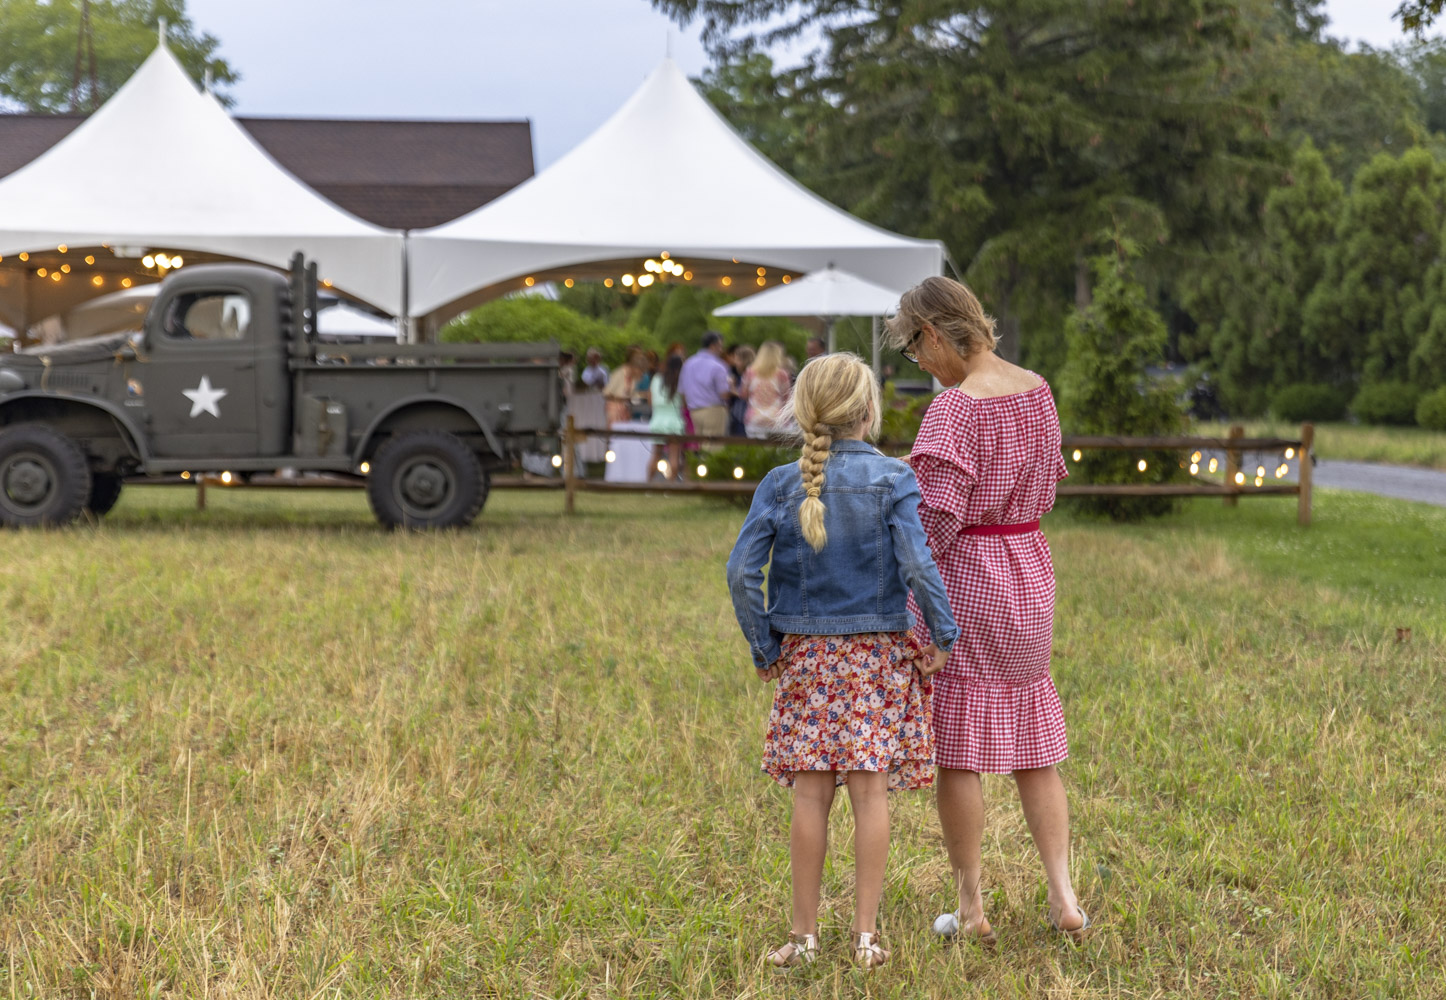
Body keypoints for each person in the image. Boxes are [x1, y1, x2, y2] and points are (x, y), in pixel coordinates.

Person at [726, 352, 958, 972]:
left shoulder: (779, 484)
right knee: (869, 794)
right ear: (867, 409)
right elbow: (918, 564)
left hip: (806, 658)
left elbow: (741, 573)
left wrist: (764, 643)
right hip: (877, 659)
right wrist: (942, 632)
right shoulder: (892, 479)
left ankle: (802, 939)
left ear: (805, 411)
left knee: (809, 797)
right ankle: (865, 940)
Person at [886, 276, 1087, 944]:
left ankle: (972, 910)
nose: (920, 363)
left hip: (970, 577)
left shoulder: (955, 410)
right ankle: (1064, 896)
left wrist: (905, 594)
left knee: (961, 751)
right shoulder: (1037, 388)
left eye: (916, 348)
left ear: (936, 332)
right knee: (1035, 747)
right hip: (1029, 569)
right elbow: (1048, 488)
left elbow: (934, 523)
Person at [679, 331, 733, 438]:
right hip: (714, 410)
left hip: (693, 411)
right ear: (713, 346)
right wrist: (732, 388)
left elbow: (682, 391)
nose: (721, 350)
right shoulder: (719, 366)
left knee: (698, 447)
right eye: (720, 346)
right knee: (713, 450)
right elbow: (724, 394)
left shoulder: (688, 363)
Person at [742, 341, 794, 438]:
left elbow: (744, 395)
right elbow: (787, 399)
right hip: (776, 419)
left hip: (754, 418)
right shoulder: (781, 374)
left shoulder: (750, 372)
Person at [648, 354, 686, 481]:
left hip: (658, 420)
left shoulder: (656, 378)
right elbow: (685, 402)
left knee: (656, 455)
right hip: (674, 420)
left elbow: (650, 400)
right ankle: (669, 488)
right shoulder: (679, 380)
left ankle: (648, 485)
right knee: (674, 456)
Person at [604, 349, 645, 426]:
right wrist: (621, 399)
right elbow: (606, 393)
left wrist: (643, 395)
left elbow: (631, 393)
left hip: (626, 409)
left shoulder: (633, 376)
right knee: (615, 433)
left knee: (625, 434)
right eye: (640, 370)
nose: (641, 373)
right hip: (614, 410)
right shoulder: (619, 373)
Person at [728, 344, 756, 436]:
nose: (735, 362)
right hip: (741, 415)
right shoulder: (750, 374)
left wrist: (731, 388)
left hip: (743, 416)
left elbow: (744, 394)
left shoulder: (748, 375)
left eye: (737, 359)